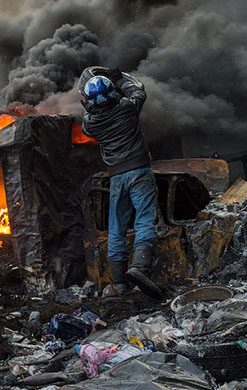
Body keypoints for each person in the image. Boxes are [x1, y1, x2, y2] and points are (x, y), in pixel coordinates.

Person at [81, 67, 163, 299]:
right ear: (112, 94)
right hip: (139, 171)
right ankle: (140, 267)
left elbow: (88, 113)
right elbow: (139, 91)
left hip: (116, 177)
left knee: (116, 227)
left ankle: (119, 283)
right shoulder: (127, 108)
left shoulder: (90, 124)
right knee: (145, 219)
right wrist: (119, 79)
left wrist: (90, 103)